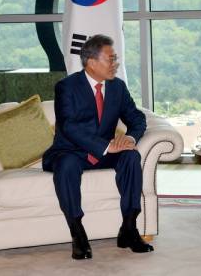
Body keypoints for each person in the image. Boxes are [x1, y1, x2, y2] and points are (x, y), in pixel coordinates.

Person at [42, 34, 153, 260]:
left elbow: (137, 118)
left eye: (115, 59)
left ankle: (129, 228)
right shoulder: (66, 87)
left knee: (131, 157)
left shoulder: (117, 88)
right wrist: (105, 146)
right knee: (67, 165)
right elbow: (69, 126)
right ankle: (77, 233)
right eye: (110, 59)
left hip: (104, 153)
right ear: (91, 62)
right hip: (71, 151)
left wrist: (130, 139)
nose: (115, 64)